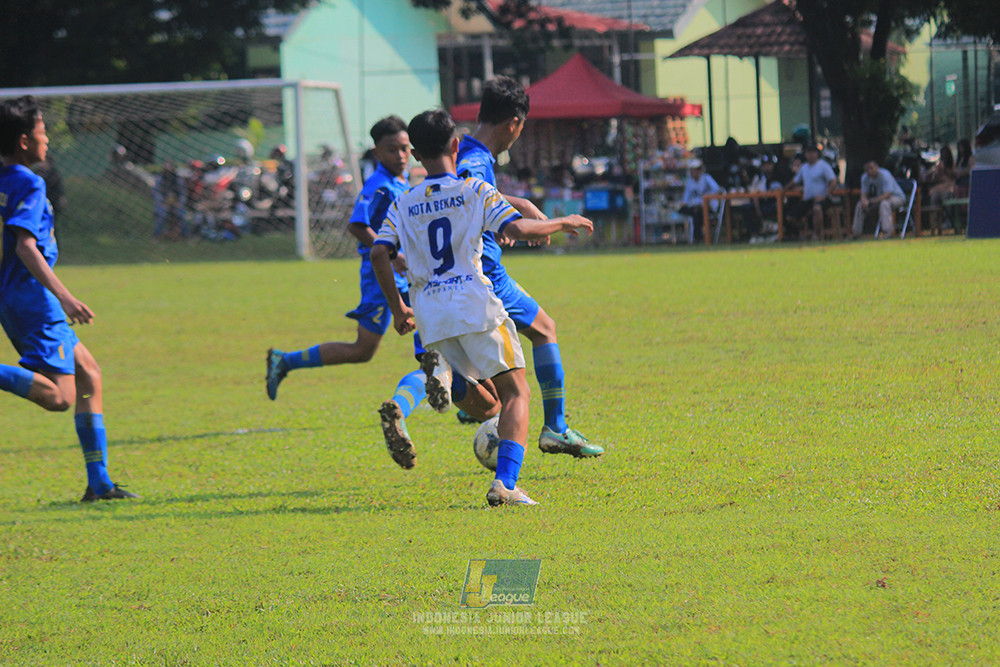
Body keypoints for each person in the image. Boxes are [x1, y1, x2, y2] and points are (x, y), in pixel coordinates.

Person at [370, 109, 594, 506]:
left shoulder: (403, 202)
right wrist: (562, 222)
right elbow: (516, 229)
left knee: (481, 396)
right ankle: (505, 484)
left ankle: (444, 376)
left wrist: (399, 308)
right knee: (516, 393)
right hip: (475, 305)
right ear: (456, 146)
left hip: (430, 313)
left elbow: (378, 253)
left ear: (416, 155)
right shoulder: (474, 189)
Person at [455, 76, 603, 459]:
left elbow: (470, 195)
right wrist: (539, 218)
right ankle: (554, 428)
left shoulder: (467, 151)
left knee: (489, 350)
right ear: (514, 123)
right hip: (485, 273)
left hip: (467, 272)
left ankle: (464, 387)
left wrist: (511, 206)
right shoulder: (475, 161)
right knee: (543, 329)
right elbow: (469, 192)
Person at [0, 96, 138, 502]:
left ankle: (100, 483)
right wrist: (65, 297)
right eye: (43, 132)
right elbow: (26, 246)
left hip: (14, 295)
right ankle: (100, 482)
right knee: (60, 397)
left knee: (89, 375)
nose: (47, 140)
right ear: (24, 140)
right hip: (34, 298)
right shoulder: (28, 182)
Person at [265, 116, 414, 401]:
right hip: (381, 275)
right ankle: (285, 361)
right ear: (376, 152)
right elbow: (356, 225)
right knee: (363, 350)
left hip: (403, 272)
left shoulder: (401, 179)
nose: (400, 155)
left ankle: (467, 393)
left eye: (405, 148)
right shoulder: (378, 185)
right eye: (392, 149)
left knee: (434, 329)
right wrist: (392, 254)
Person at [784, 144, 838, 240]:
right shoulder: (804, 167)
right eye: (808, 152)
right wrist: (784, 189)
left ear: (817, 153)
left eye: (813, 152)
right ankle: (805, 229)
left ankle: (817, 235)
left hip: (822, 199)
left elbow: (833, 181)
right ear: (805, 154)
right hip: (808, 199)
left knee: (817, 209)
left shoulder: (823, 165)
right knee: (790, 217)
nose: (811, 155)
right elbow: (795, 181)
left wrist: (826, 194)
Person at [851, 158, 906, 239]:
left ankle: (888, 233)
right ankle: (855, 234)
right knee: (860, 205)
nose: (870, 171)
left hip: (896, 197)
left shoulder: (885, 175)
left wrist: (870, 201)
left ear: (876, 167)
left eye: (871, 168)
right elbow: (864, 194)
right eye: (867, 169)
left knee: (884, 204)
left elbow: (887, 195)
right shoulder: (865, 177)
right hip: (879, 200)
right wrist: (864, 201)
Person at [678, 159, 721, 243]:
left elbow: (717, 190)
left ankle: (697, 238)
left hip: (708, 206)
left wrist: (706, 202)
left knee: (697, 213)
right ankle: (697, 237)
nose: (692, 172)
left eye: (694, 170)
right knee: (690, 211)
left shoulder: (707, 178)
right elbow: (686, 199)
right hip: (695, 207)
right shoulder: (690, 182)